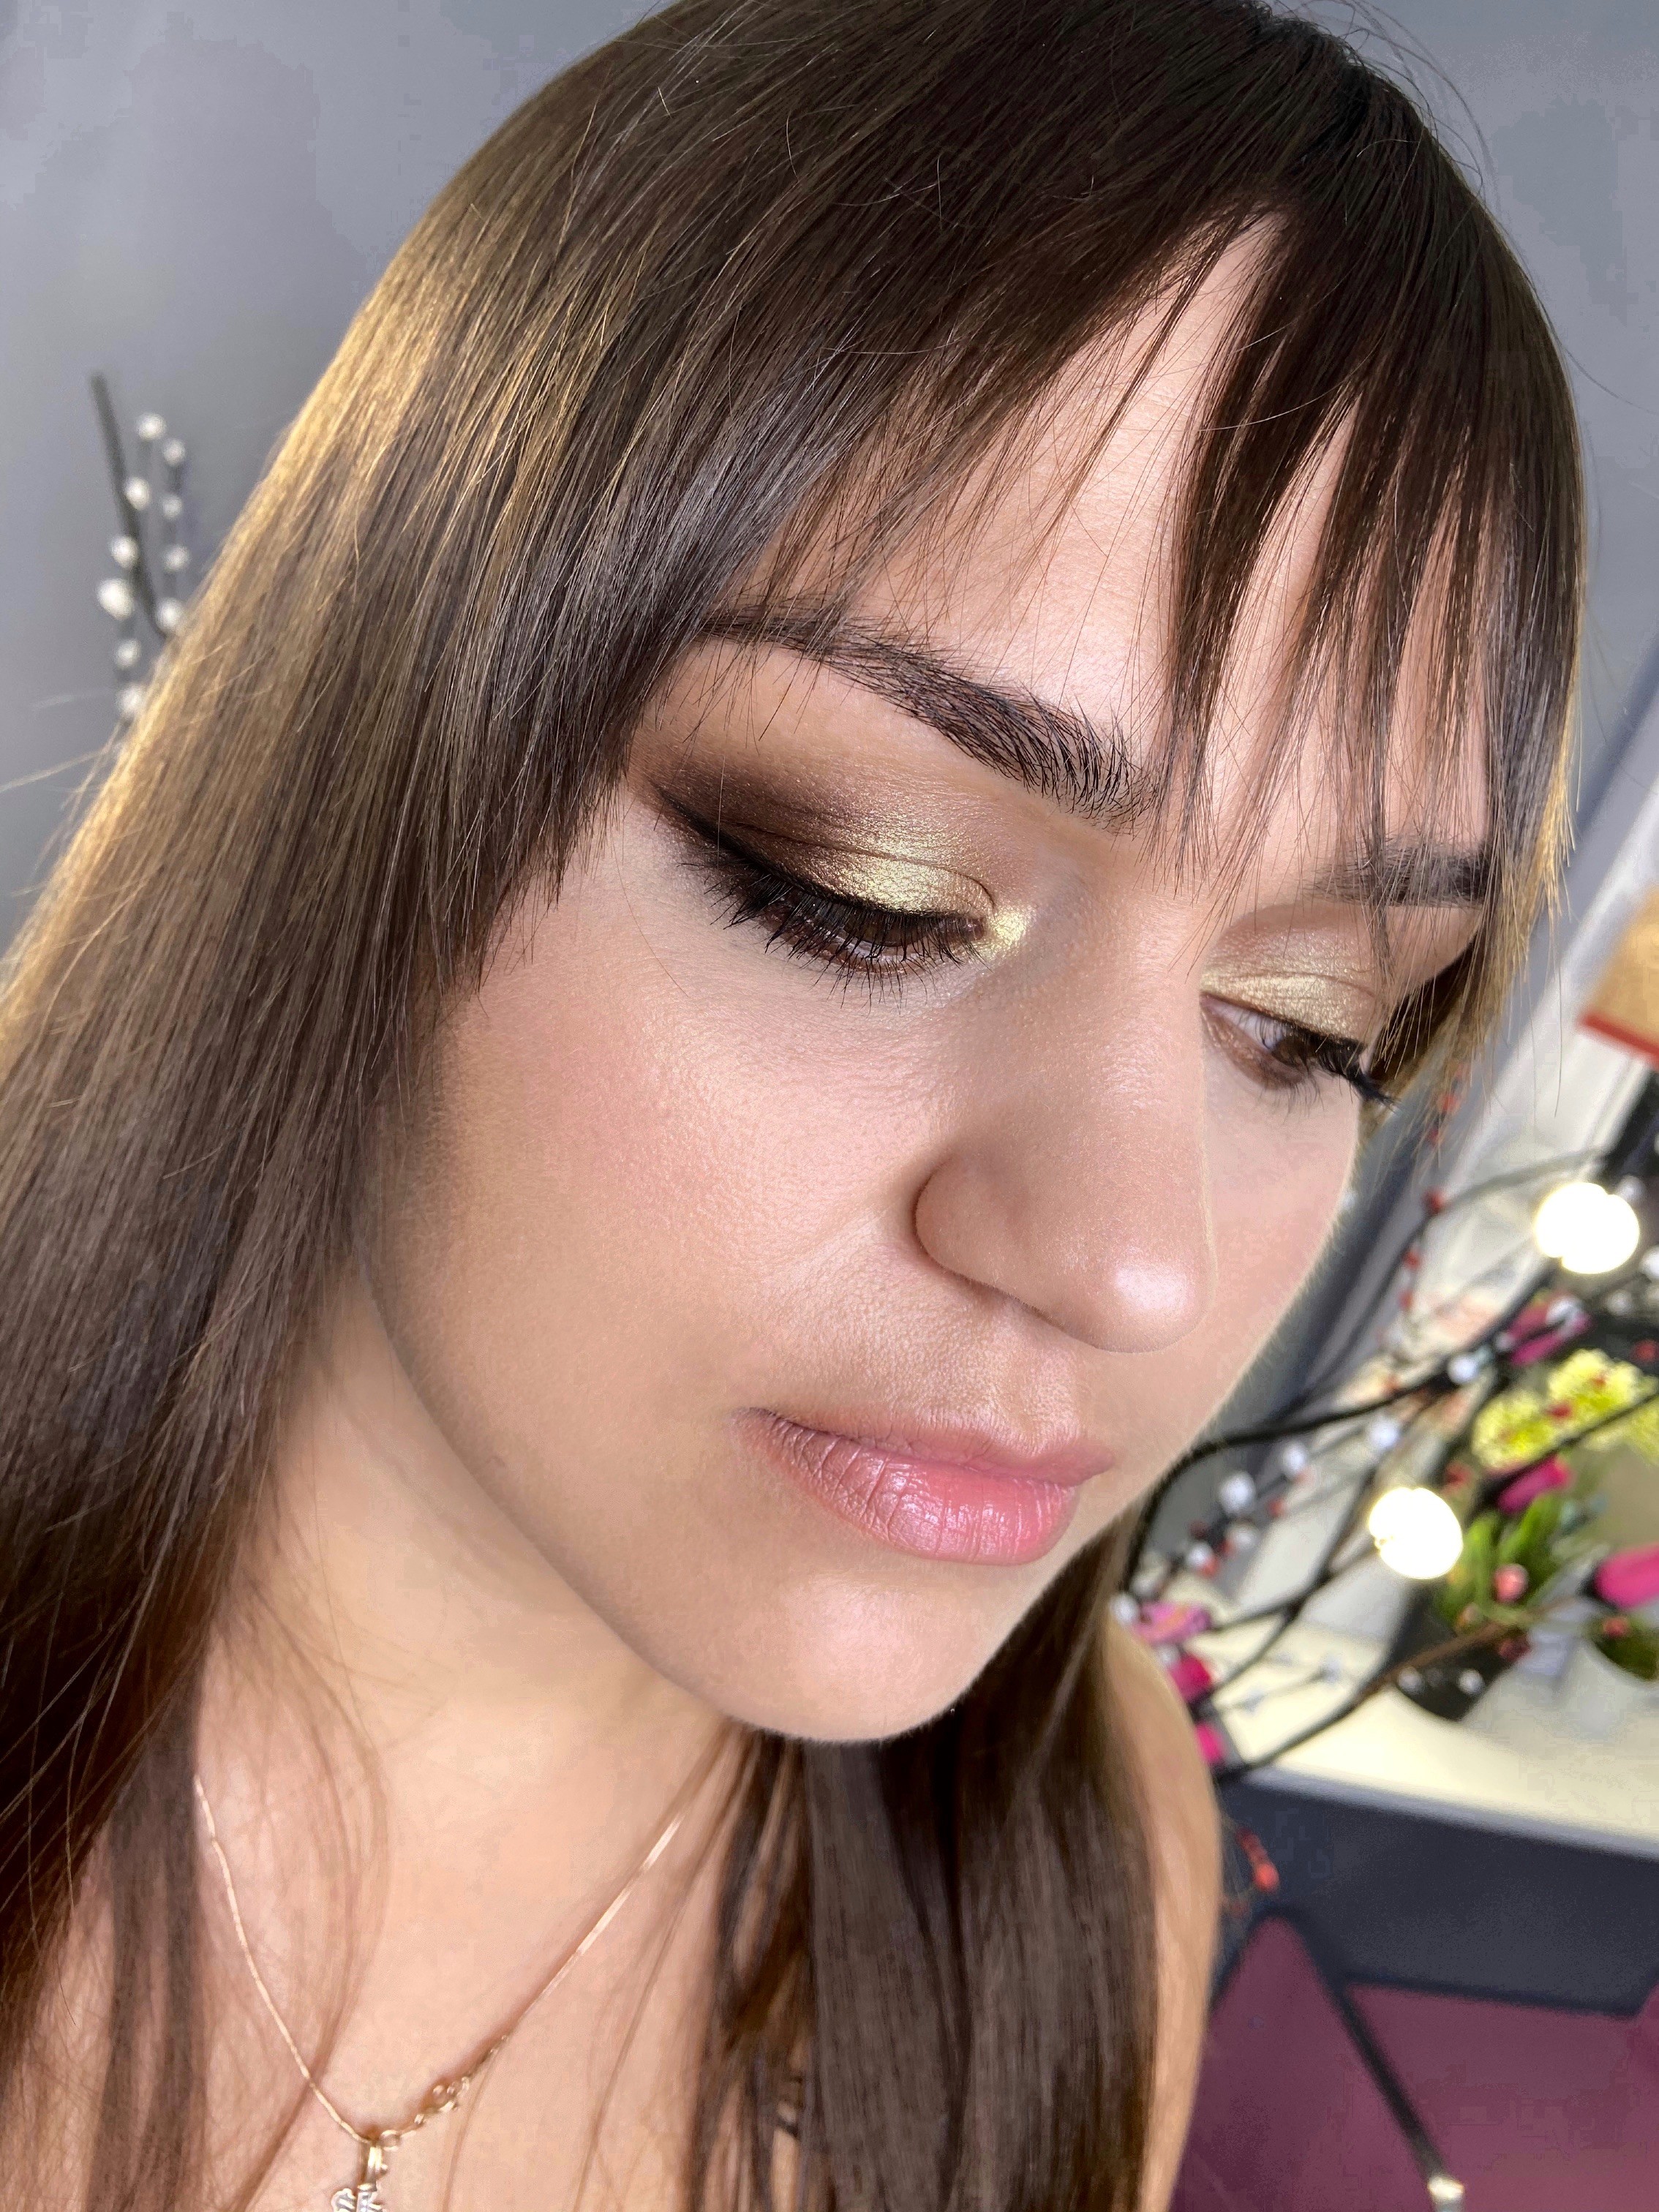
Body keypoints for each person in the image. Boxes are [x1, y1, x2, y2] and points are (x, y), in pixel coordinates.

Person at [0, 2, 1581, 2207]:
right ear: (357, 766)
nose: (1132, 1262)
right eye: (864, 891)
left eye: (1304, 1027)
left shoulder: (1080, 1866)